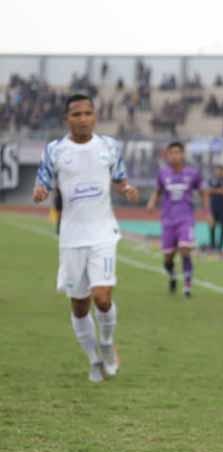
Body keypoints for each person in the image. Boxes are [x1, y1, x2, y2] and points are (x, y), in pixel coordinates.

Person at [32, 93, 139, 383]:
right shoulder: (55, 150)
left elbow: (118, 178)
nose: (82, 119)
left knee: (102, 298)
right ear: (67, 119)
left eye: (87, 113)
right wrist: (40, 192)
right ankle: (93, 359)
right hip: (71, 237)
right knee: (79, 306)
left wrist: (126, 189)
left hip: (103, 233)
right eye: (76, 114)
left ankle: (106, 343)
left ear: (95, 116)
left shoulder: (109, 146)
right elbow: (43, 180)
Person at [146, 141, 206, 298]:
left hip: (186, 218)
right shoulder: (163, 173)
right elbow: (158, 191)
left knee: (185, 248)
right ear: (167, 155)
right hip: (168, 219)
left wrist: (208, 211)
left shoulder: (193, 173)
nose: (174, 156)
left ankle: (187, 286)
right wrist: (152, 202)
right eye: (171, 153)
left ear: (183, 154)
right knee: (168, 258)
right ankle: (172, 275)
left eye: (177, 152)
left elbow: (203, 192)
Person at [207, 164, 223, 252]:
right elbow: (207, 191)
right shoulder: (212, 180)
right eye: (217, 170)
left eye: (220, 170)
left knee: (222, 226)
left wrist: (214, 190)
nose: (218, 172)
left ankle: (220, 247)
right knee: (212, 226)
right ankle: (212, 245)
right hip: (213, 207)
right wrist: (219, 191)